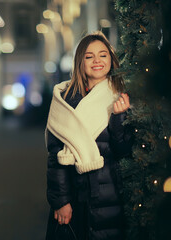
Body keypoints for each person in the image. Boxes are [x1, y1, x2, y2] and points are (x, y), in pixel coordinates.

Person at [45, 31, 133, 240]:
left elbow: (124, 151)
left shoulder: (121, 95)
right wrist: (61, 201)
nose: (97, 61)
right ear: (80, 62)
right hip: (76, 196)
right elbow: (55, 155)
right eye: (89, 56)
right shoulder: (65, 99)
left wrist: (119, 117)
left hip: (110, 194)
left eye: (103, 55)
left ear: (111, 59)